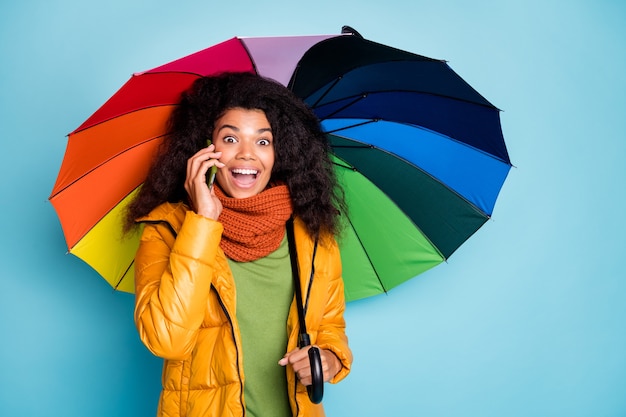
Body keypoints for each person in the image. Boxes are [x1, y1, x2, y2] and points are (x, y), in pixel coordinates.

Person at [124, 71, 352, 417]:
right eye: (231, 139)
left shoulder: (312, 234)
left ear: (281, 152)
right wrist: (202, 221)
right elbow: (166, 339)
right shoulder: (166, 228)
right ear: (206, 148)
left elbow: (330, 327)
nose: (247, 155)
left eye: (263, 142)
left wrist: (329, 360)